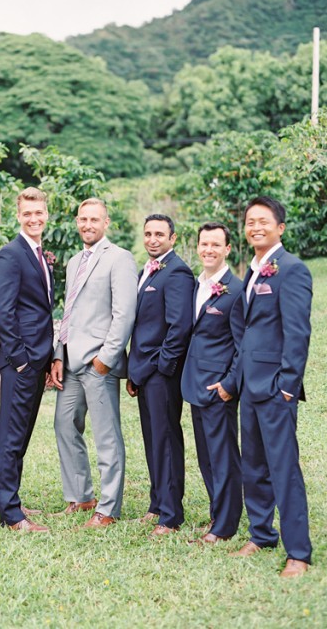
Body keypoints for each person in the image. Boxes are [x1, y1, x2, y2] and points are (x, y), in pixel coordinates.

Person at [223, 196, 312, 578]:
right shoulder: (254, 270)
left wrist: (288, 386)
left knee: (283, 468)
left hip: (276, 388)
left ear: (280, 227)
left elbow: (298, 332)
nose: (255, 226)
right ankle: (261, 533)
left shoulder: (291, 269)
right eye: (249, 221)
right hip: (249, 386)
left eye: (263, 220)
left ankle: (298, 553)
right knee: (254, 465)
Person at [50, 198, 137, 528]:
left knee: (106, 436)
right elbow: (68, 312)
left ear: (106, 222)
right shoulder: (74, 262)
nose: (88, 225)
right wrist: (59, 354)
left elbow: (124, 313)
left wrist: (106, 358)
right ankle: (81, 496)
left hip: (99, 361)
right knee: (64, 424)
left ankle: (108, 508)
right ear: (77, 221)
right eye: (83, 219)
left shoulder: (119, 258)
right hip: (71, 360)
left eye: (94, 219)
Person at [0, 188, 54, 532]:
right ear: (19, 216)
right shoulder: (10, 255)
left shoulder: (40, 254)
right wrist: (22, 360)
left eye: (39, 212)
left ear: (46, 214)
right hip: (22, 362)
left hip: (37, 360)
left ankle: (1, 497)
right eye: (28, 213)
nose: (34, 218)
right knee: (13, 435)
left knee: (21, 433)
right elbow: (3, 310)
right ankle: (11, 514)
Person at [127, 214, 195, 537]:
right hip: (143, 372)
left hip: (162, 374)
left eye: (159, 234)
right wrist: (134, 371)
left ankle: (170, 516)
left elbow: (180, 326)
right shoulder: (147, 271)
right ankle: (156, 505)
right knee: (153, 441)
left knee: (166, 441)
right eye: (148, 234)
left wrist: (162, 368)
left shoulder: (177, 272)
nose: (153, 239)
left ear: (173, 238)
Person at [180, 222, 244, 545]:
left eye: (215, 244)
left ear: (227, 249)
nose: (208, 250)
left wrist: (228, 384)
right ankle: (217, 513)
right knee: (206, 457)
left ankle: (226, 526)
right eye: (204, 244)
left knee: (223, 457)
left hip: (219, 390)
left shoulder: (236, 291)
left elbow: (243, 344)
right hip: (195, 385)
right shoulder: (196, 285)